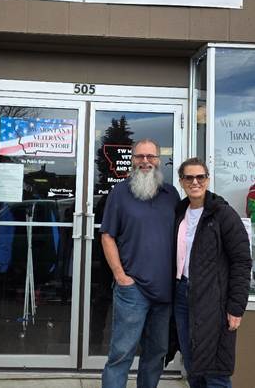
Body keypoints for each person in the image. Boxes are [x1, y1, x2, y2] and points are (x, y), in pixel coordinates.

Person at [100, 138, 180, 388]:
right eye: (140, 157)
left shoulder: (172, 194)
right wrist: (120, 276)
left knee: (156, 354)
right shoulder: (119, 193)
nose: (146, 161)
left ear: (159, 160)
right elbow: (107, 236)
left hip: (165, 290)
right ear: (132, 160)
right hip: (132, 289)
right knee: (121, 354)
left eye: (151, 156)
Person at [173, 158, 251, 388]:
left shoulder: (223, 214)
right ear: (181, 181)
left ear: (207, 180)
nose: (195, 182)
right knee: (193, 365)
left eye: (200, 177)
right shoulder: (179, 212)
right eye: (189, 177)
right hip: (182, 296)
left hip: (213, 299)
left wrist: (236, 307)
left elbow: (241, 262)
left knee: (215, 370)